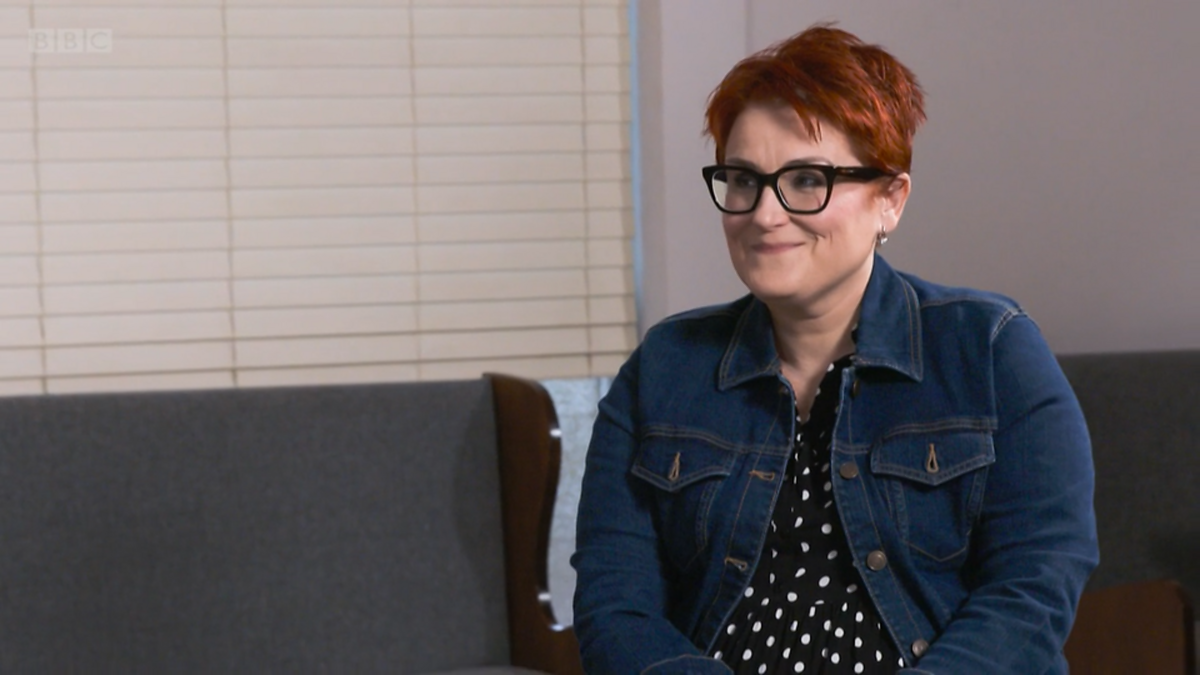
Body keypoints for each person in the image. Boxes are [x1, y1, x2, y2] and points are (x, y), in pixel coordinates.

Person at [571, 24, 1098, 675]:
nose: (765, 214)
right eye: (743, 180)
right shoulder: (664, 367)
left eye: (806, 179)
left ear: (889, 201)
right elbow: (615, 605)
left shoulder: (991, 350)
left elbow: (1034, 588)